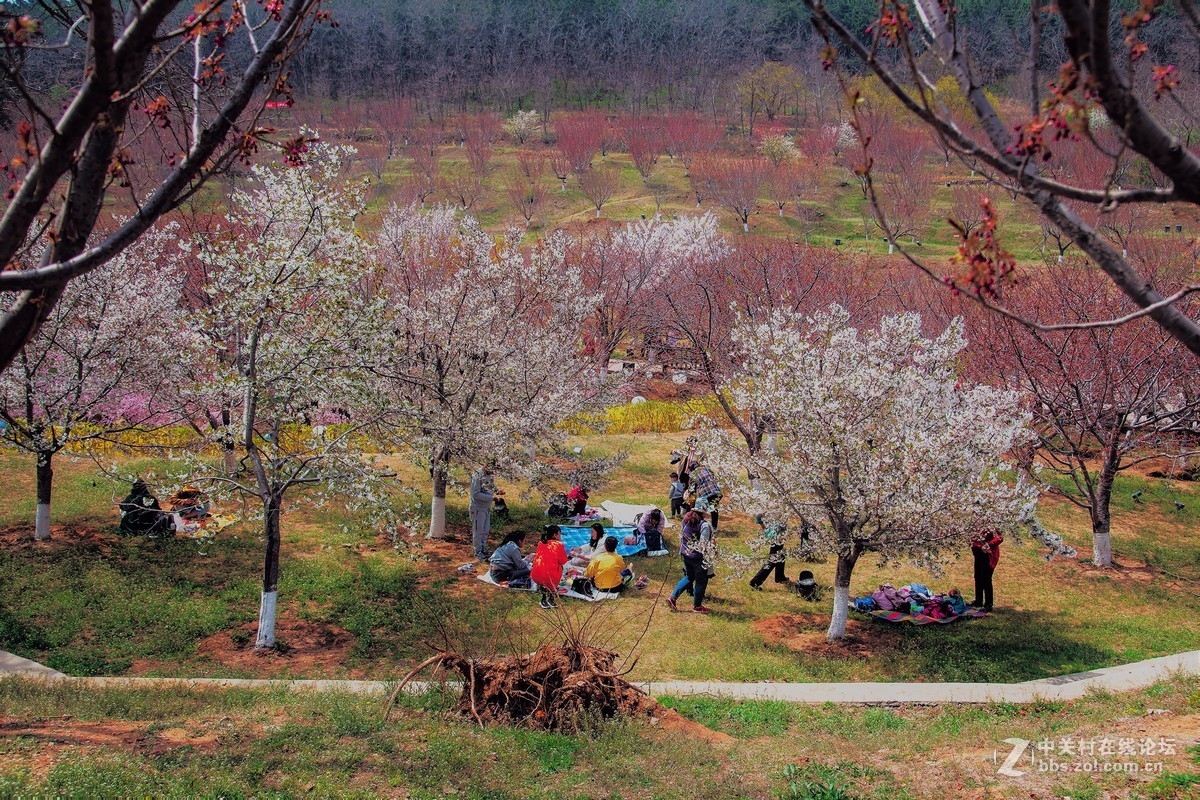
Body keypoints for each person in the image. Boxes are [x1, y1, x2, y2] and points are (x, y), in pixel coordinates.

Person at [667, 510, 711, 613]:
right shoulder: (704, 525)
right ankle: (697, 606)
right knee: (701, 581)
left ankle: (672, 597)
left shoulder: (686, 521)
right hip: (698, 558)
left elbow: (681, 536)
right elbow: (703, 544)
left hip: (686, 554)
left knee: (689, 577)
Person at [531, 524, 569, 609]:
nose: (560, 536)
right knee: (560, 568)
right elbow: (563, 561)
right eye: (559, 533)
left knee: (546, 569)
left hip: (536, 575)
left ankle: (544, 598)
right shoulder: (559, 544)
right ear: (555, 535)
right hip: (550, 578)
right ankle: (551, 597)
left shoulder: (541, 543)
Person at [749, 514, 790, 589]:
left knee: (780, 554)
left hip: (777, 533)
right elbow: (759, 515)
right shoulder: (771, 505)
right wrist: (766, 529)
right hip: (775, 533)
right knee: (773, 559)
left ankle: (780, 577)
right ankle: (755, 582)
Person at [469, 465, 501, 560]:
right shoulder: (477, 476)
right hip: (478, 508)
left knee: (485, 530)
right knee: (478, 531)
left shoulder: (490, 475)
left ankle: (483, 548)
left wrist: (497, 491)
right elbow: (476, 494)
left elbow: (489, 486)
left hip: (486, 507)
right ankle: (478, 551)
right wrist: (492, 498)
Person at [971, 530, 1004, 612]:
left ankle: (988, 604)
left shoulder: (992, 524)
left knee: (986, 579)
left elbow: (999, 538)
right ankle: (978, 601)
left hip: (988, 555)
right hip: (978, 552)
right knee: (978, 577)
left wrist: (988, 545)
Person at [690, 464, 722, 529]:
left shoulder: (693, 474)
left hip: (705, 494)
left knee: (699, 511)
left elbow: (692, 488)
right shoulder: (707, 469)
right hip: (716, 492)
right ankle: (714, 528)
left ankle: (698, 526)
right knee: (714, 510)